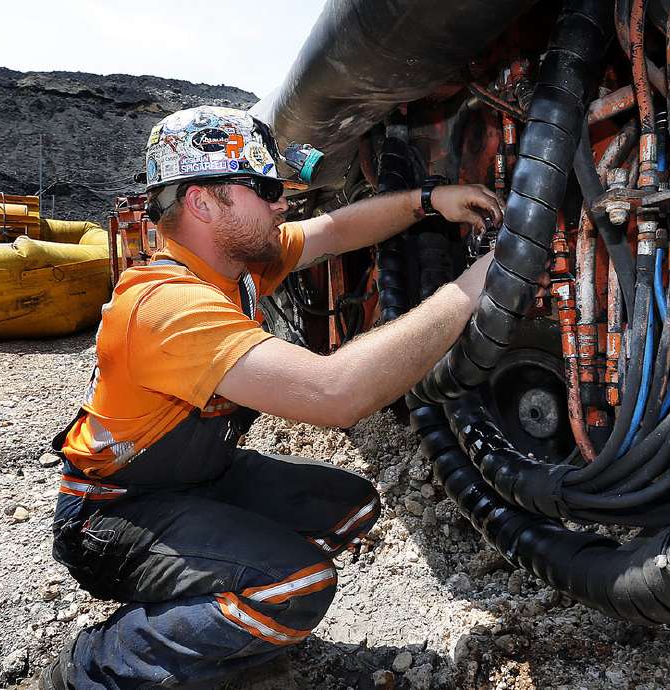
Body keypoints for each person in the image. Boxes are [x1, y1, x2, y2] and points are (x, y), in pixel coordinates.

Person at [43, 106, 502, 689]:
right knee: (299, 583)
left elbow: (335, 231)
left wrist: (430, 200)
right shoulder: (166, 306)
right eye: (263, 188)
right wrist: (475, 287)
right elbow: (336, 393)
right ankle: (93, 666)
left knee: (352, 508)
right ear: (203, 204)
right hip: (112, 514)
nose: (282, 201)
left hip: (193, 482)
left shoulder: (233, 268)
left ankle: (234, 623)